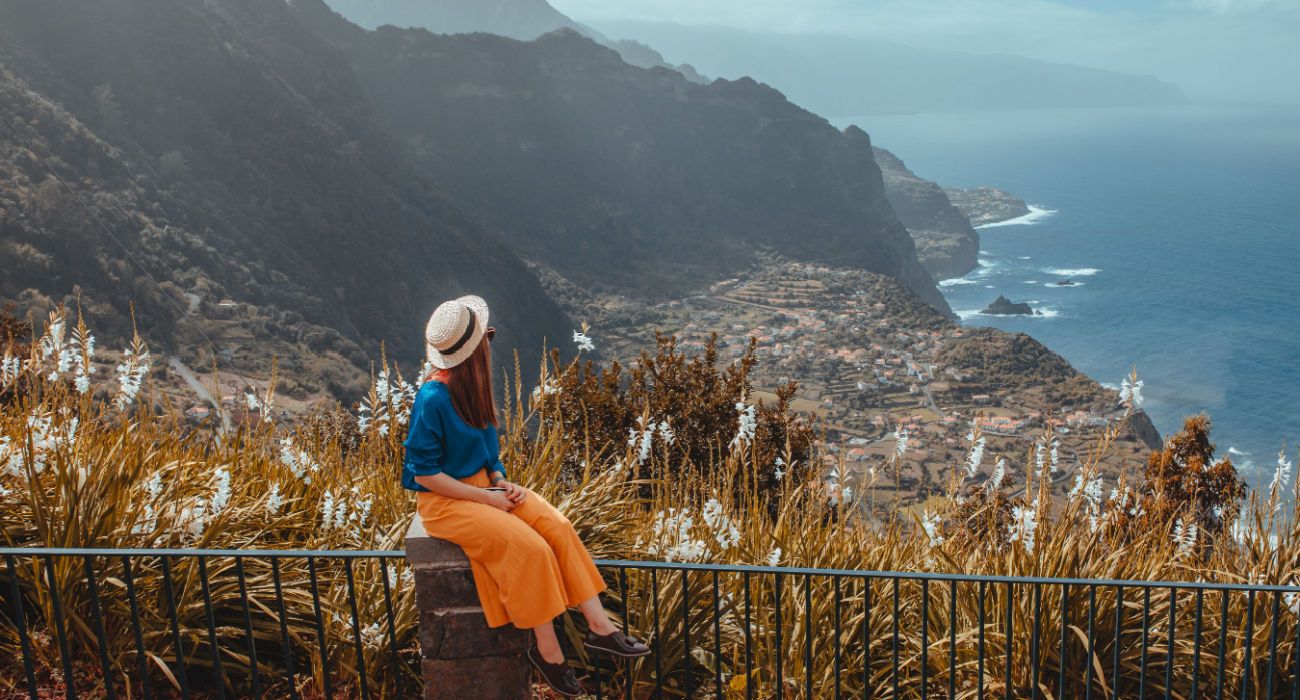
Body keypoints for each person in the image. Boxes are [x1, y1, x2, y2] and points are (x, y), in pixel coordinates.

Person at [402, 295, 649, 697]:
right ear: (475, 350)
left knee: (557, 525)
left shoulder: (471, 387)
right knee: (531, 549)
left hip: (483, 486)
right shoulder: (431, 399)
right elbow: (426, 474)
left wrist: (500, 480)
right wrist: (486, 499)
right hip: (446, 504)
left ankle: (601, 627)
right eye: (488, 337)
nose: (490, 342)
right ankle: (548, 654)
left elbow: (488, 450)